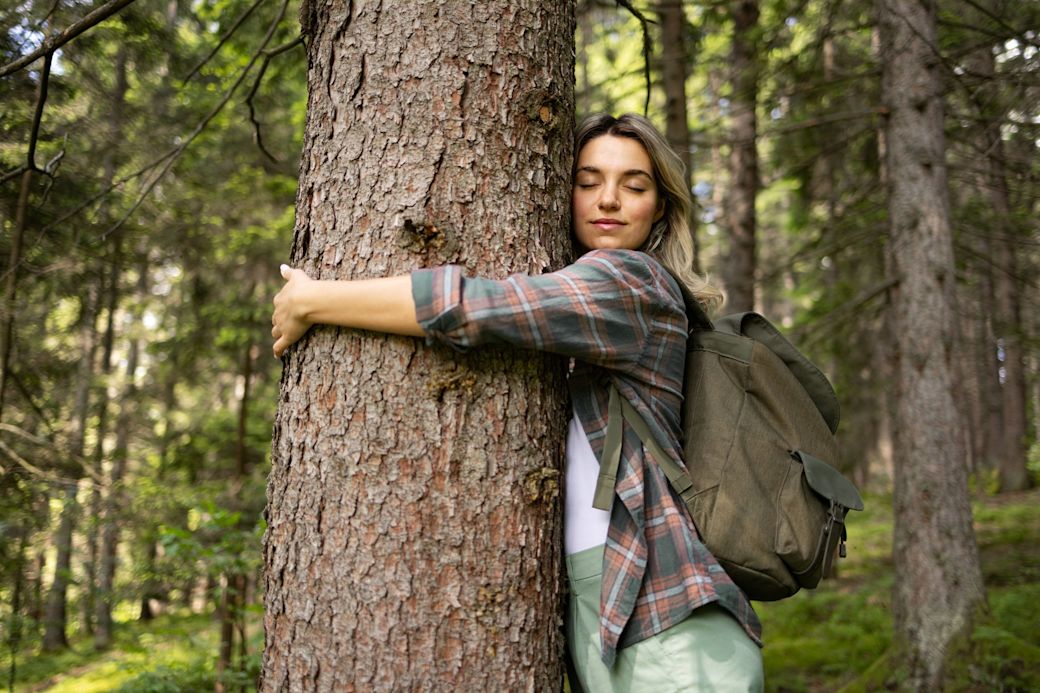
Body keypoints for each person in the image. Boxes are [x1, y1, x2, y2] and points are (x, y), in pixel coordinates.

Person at [271, 113, 764, 691]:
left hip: (666, 613)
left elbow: (479, 307)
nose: (608, 199)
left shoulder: (632, 282)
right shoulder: (596, 306)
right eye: (587, 181)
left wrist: (314, 300)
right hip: (619, 609)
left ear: (659, 208)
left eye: (634, 186)